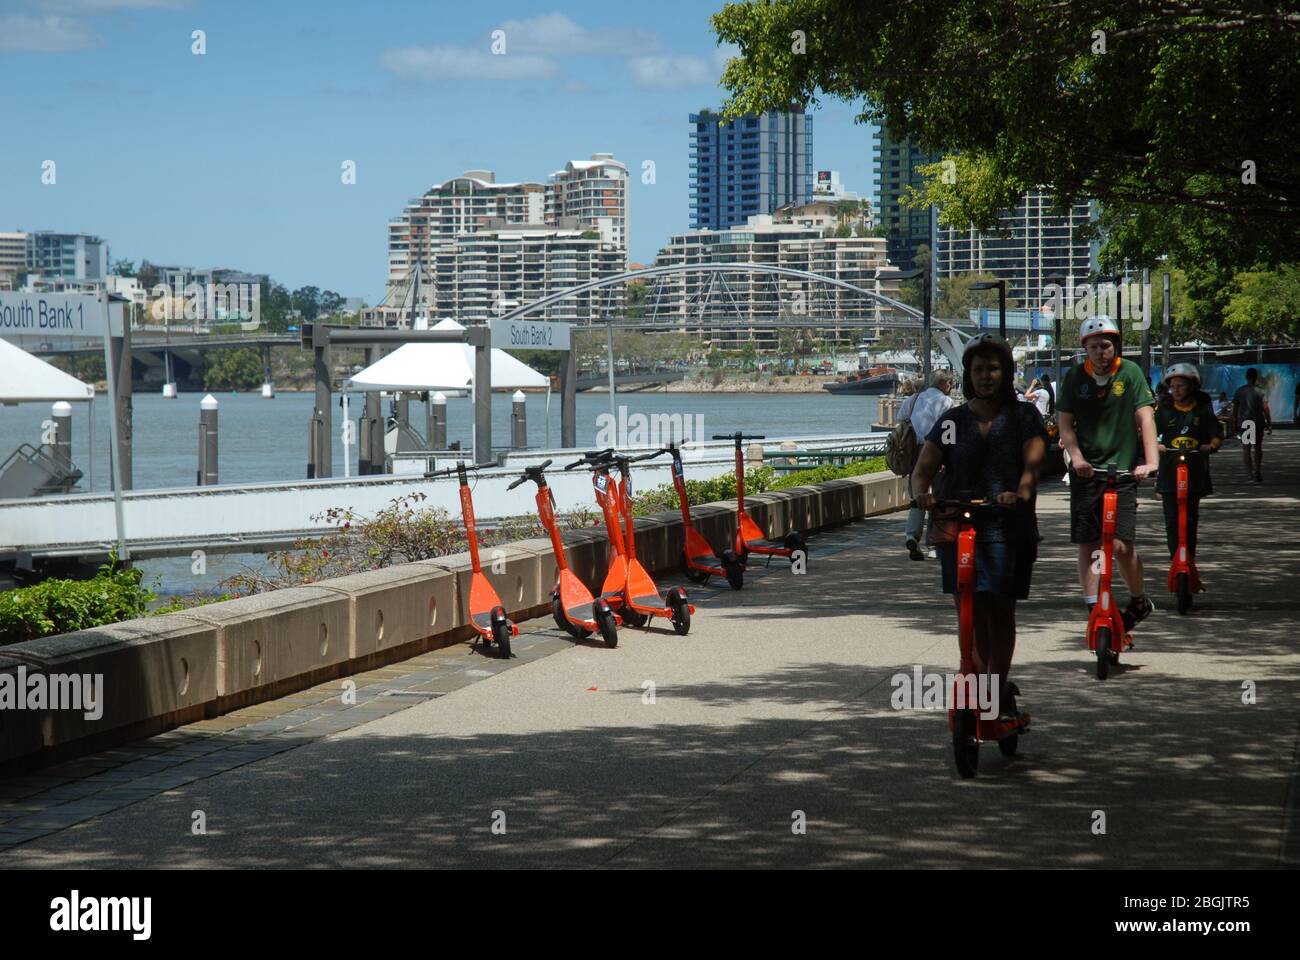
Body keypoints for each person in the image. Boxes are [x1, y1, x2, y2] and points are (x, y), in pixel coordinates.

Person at [912, 334, 1047, 716]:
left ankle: (996, 686)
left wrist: (1019, 492)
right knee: (969, 607)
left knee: (999, 609)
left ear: (1005, 373)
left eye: (993, 368)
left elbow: (1032, 463)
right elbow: (923, 468)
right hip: (957, 525)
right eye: (978, 370)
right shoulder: (954, 421)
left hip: (1007, 524)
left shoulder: (1023, 417)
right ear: (968, 375)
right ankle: (978, 677)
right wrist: (921, 492)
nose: (986, 376)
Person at [1056, 316, 1160, 630]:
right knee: (1088, 542)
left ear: (1115, 346)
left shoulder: (1130, 373)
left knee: (1120, 545)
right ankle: (1093, 609)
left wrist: (1151, 461)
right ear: (1084, 348)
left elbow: (1145, 419)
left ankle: (1139, 599)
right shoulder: (1075, 377)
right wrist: (1076, 459)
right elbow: (1065, 424)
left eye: (1107, 345)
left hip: (1123, 472)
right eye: (1094, 346)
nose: (1101, 352)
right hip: (1088, 472)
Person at [1154, 364, 1222, 578]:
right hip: (1168, 474)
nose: (1177, 390)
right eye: (1173, 386)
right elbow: (1150, 433)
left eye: (1181, 386)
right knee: (1172, 522)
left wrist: (1212, 444)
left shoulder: (1202, 408)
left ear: (1191, 386)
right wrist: (1155, 445)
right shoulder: (1164, 409)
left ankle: (1189, 561)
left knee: (1190, 521)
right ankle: (1175, 560)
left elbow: (1215, 433)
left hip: (1194, 473)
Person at [901, 370, 956, 560]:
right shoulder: (946, 402)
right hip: (937, 452)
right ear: (945, 383)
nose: (951, 387)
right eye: (950, 384)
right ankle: (933, 543)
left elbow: (900, 421)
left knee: (918, 496)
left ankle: (911, 535)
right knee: (937, 498)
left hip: (916, 452)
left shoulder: (914, 399)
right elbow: (950, 434)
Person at [1233, 368, 1272, 483]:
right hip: (1258, 422)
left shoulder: (1240, 391)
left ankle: (1250, 474)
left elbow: (1235, 410)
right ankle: (1258, 471)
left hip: (1245, 423)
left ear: (1246, 377)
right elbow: (1265, 408)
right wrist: (1269, 423)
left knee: (1246, 448)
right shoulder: (1261, 391)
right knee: (1258, 447)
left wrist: (1235, 424)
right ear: (1256, 377)